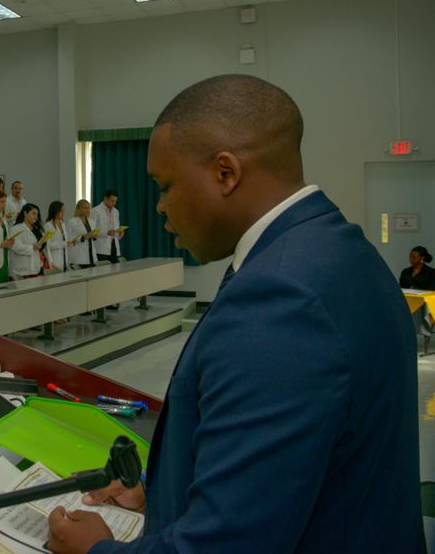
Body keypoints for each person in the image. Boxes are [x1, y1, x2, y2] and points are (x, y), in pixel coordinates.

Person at [45, 75, 423, 554]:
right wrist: (161, 493)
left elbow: (229, 545)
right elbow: (289, 466)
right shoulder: (339, 249)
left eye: (165, 186)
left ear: (226, 173)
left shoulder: (280, 299)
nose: (159, 207)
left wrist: (95, 550)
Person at [9, 203, 44, 280]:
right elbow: (15, 247)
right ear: (25, 213)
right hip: (22, 270)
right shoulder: (15, 229)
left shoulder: (37, 229)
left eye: (37, 214)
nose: (36, 217)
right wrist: (32, 247)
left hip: (36, 267)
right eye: (33, 213)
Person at [92, 189, 123, 264]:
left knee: (115, 271)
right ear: (105, 199)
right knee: (103, 272)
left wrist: (120, 233)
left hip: (114, 246)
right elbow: (92, 232)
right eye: (112, 201)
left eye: (115, 201)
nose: (114, 203)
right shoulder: (95, 211)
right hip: (101, 248)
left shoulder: (116, 211)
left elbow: (116, 228)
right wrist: (106, 233)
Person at [67, 199, 99, 269]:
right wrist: (83, 237)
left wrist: (95, 235)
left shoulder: (92, 221)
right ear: (79, 209)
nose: (88, 210)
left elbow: (92, 236)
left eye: (89, 208)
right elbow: (68, 238)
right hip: (78, 256)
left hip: (91, 255)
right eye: (85, 208)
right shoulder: (72, 221)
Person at [44, 201, 71, 272]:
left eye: (64, 210)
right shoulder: (48, 225)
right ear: (55, 211)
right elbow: (48, 245)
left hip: (64, 259)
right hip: (55, 259)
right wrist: (64, 243)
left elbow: (64, 240)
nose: (63, 213)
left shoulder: (62, 224)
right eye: (61, 211)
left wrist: (68, 242)